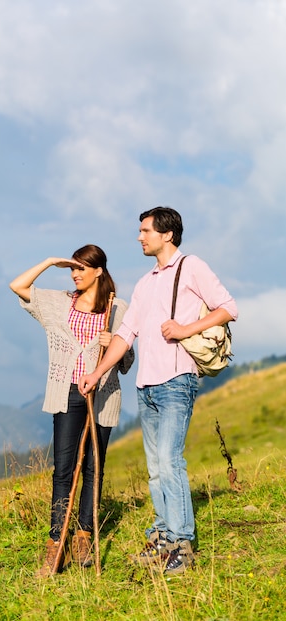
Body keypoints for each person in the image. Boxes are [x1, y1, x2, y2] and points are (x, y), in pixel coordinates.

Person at [79, 208, 238, 576]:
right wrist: (98, 373)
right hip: (146, 386)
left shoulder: (191, 266)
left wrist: (185, 329)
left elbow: (229, 308)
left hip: (176, 380)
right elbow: (124, 335)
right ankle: (163, 538)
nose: (139, 237)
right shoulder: (145, 282)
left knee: (169, 461)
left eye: (145, 230)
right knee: (155, 469)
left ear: (167, 235)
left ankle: (182, 544)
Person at [9, 244, 134, 577]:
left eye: (81, 268)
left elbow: (126, 363)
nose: (75, 274)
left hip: (103, 394)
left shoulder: (116, 309)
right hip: (67, 393)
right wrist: (50, 261)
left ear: (99, 271)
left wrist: (114, 347)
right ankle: (55, 546)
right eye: (72, 269)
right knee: (63, 470)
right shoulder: (58, 303)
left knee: (94, 468)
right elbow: (18, 286)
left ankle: (84, 537)